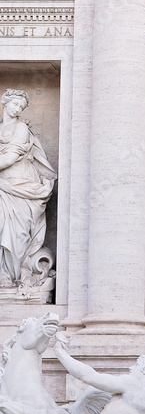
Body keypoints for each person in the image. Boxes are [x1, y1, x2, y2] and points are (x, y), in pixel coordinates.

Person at [0, 89, 56, 289]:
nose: (17, 109)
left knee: (18, 231)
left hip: (21, 183)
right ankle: (2, 273)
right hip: (3, 184)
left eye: (21, 107)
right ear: (5, 102)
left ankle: (12, 275)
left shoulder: (21, 128)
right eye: (15, 104)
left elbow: (10, 158)